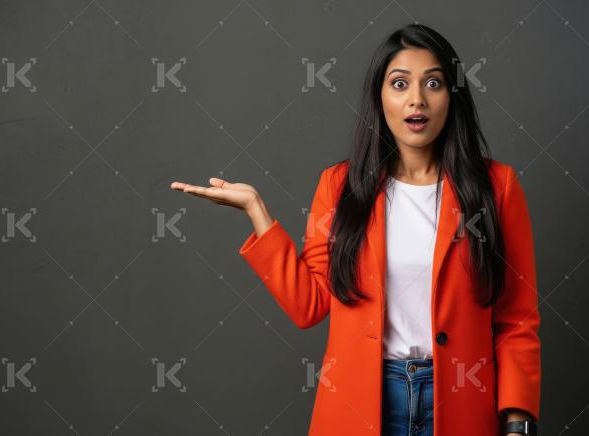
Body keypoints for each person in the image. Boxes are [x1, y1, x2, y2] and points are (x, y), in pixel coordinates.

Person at [170, 24, 540, 436]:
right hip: (363, 402)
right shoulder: (341, 186)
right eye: (400, 83)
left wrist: (518, 421)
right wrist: (258, 212)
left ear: (452, 97)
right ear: (380, 98)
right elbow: (309, 305)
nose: (416, 99)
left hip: (462, 404)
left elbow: (517, 319)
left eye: (433, 83)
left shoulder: (497, 188)